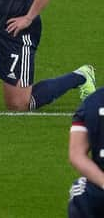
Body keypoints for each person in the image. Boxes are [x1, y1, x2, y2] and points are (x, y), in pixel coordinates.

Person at [68, 87, 104, 217]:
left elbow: (76, 154)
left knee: (80, 192)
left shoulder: (92, 103)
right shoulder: (93, 103)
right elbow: (76, 154)